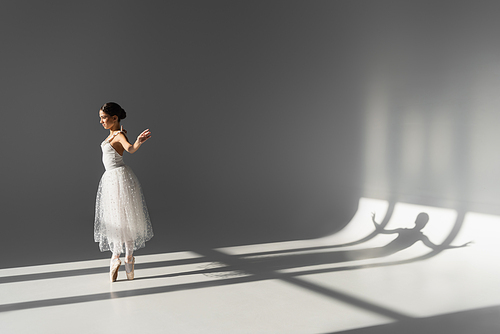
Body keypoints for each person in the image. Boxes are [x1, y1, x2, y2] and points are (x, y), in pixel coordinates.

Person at [94, 102, 153, 282]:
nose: (101, 121)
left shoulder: (119, 136)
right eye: (100, 118)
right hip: (112, 179)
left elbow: (130, 149)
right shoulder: (115, 134)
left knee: (123, 219)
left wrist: (137, 142)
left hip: (117, 178)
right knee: (117, 218)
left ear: (115, 118)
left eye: (104, 118)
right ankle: (127, 260)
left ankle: (117, 258)